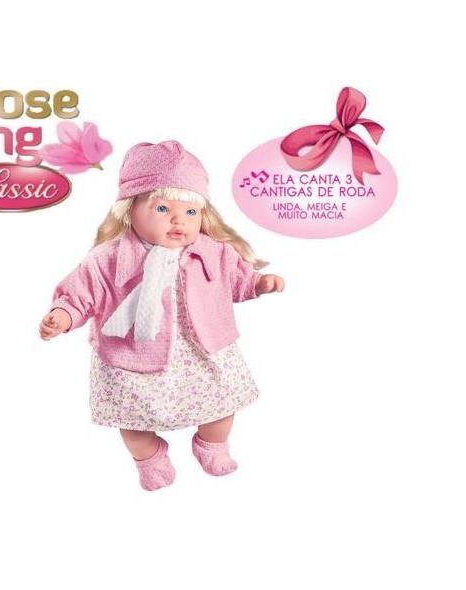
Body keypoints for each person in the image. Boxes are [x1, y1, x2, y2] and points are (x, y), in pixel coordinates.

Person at [40, 140, 285, 491]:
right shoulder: (108, 258)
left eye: (191, 212)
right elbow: (81, 292)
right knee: (132, 423)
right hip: (132, 358)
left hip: (202, 352)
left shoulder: (213, 252)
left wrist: (259, 283)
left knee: (223, 405)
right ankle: (149, 457)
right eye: (162, 208)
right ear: (130, 210)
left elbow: (238, 279)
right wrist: (63, 315)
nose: (178, 220)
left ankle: (212, 445)